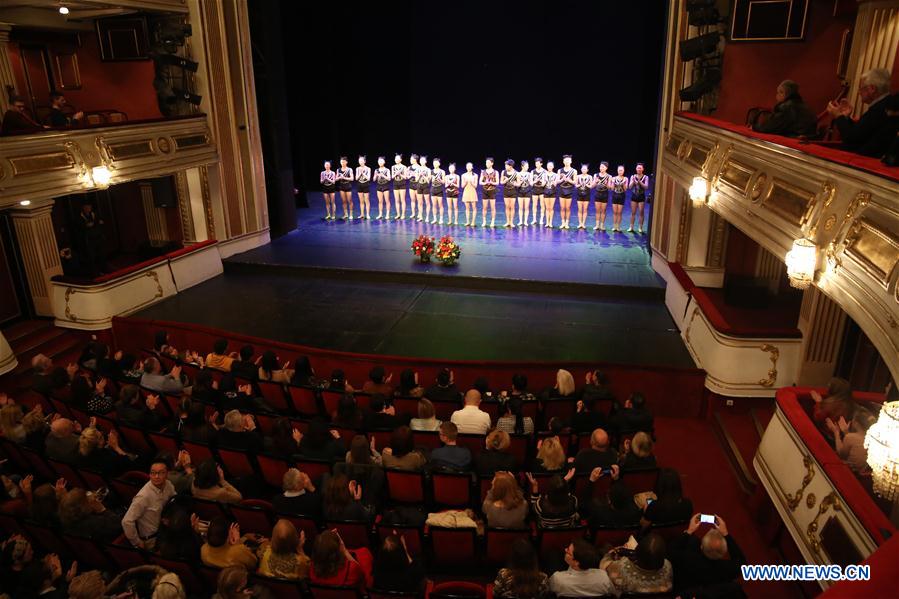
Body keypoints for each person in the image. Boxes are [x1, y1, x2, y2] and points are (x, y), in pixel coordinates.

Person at [668, 514, 746, 596]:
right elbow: (741, 560)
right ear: (724, 552)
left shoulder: (687, 558)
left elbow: (671, 550)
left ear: (701, 547)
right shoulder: (728, 569)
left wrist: (689, 531)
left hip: (683, 590)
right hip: (706, 593)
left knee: (693, 540)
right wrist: (726, 534)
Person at [827, 67, 896, 157]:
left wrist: (838, 116)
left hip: (864, 163)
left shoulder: (880, 109)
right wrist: (845, 117)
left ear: (872, 89)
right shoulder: (886, 103)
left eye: (861, 88)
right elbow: (860, 133)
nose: (859, 92)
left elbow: (851, 139)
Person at [122, 457, 177, 548]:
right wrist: (136, 542)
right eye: (153, 473)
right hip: (152, 540)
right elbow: (126, 521)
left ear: (167, 474)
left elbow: (174, 500)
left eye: (161, 473)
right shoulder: (143, 496)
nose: (156, 476)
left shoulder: (168, 485)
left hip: (165, 531)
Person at [603, 532, 673, 595]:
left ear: (636, 552)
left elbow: (603, 566)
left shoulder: (620, 568)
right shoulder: (668, 566)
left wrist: (611, 553)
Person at [548, 539, 614, 597]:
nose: (565, 549)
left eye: (568, 551)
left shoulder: (558, 579)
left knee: (552, 553)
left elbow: (549, 590)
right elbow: (611, 593)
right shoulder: (604, 577)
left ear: (577, 562)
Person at [826, 409, 876, 473]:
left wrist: (836, 433)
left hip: (848, 471)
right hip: (861, 472)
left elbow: (841, 454)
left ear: (856, 423)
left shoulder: (850, 437)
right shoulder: (873, 439)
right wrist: (846, 432)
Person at [75, 202, 107, 275]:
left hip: (98, 237)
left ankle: (104, 270)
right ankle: (95, 273)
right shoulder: (80, 216)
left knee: (102, 255)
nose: (88, 208)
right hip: (89, 240)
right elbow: (79, 227)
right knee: (91, 257)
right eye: (86, 207)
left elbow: (101, 221)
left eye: (89, 207)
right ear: (83, 208)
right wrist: (86, 226)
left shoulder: (94, 214)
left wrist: (98, 224)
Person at [628, 163, 649, 234]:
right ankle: (631, 227)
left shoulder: (645, 177)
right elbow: (629, 187)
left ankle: (640, 227)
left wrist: (640, 182)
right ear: (636, 169)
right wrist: (633, 182)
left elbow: (646, 187)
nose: (639, 169)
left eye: (640, 168)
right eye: (638, 168)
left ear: (643, 169)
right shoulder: (633, 176)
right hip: (634, 196)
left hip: (641, 196)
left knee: (641, 212)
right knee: (633, 212)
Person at [557, 155, 576, 229]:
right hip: (562, 190)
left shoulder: (574, 171)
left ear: (571, 161)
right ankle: (562, 223)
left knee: (567, 208)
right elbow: (557, 181)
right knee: (562, 208)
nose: (567, 162)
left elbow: (575, 182)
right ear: (563, 162)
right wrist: (562, 179)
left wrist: (568, 180)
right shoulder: (560, 170)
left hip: (569, 190)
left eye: (568, 160)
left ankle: (567, 223)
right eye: (565, 160)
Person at [479, 157, 498, 227]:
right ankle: (484, 221)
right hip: (485, 190)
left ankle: (492, 221)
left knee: (493, 207)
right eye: (486, 162)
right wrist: (485, 183)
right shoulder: (483, 172)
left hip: (492, 191)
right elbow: (480, 182)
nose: (487, 164)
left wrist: (492, 182)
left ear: (492, 163)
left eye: (488, 163)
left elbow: (497, 182)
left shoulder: (496, 172)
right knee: (484, 207)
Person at [592, 162, 611, 231]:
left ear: (606, 168)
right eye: (600, 167)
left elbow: (610, 188)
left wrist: (606, 184)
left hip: (605, 194)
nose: (601, 168)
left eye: (603, 167)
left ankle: (602, 225)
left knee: (603, 211)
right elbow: (592, 186)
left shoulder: (609, 176)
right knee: (597, 211)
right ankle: (597, 225)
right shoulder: (596, 175)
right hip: (597, 194)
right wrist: (596, 182)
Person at [609, 165, 628, 233]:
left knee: (619, 212)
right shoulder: (614, 178)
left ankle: (618, 226)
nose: (620, 172)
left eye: (621, 170)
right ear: (617, 170)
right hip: (615, 195)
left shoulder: (625, 178)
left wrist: (623, 183)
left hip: (622, 195)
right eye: (619, 170)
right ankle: (614, 226)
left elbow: (626, 189)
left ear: (624, 171)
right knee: (615, 212)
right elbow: (612, 188)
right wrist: (613, 182)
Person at [501, 159, 519, 227]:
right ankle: (507, 222)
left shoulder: (516, 173)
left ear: (510, 166)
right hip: (506, 191)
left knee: (512, 207)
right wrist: (505, 181)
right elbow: (501, 182)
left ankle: (511, 222)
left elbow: (519, 183)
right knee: (507, 207)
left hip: (513, 191)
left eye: (506, 165)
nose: (505, 166)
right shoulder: (504, 172)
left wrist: (515, 184)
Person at [575, 163, 592, 229]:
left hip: (586, 194)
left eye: (585, 169)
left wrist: (586, 184)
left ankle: (583, 223)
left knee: (585, 210)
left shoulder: (589, 177)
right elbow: (576, 186)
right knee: (579, 210)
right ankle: (580, 223)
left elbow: (591, 186)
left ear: (587, 170)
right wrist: (580, 184)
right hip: (579, 194)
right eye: (583, 169)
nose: (584, 170)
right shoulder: (578, 176)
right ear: (581, 169)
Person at [461, 162, 479, 226]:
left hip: (473, 192)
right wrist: (465, 182)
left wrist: (472, 182)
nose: (468, 167)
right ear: (466, 167)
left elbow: (476, 186)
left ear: (472, 167)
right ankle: (468, 221)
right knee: (467, 208)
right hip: (466, 192)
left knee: (474, 207)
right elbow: (462, 186)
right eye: (467, 166)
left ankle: (473, 222)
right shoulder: (463, 175)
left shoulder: (475, 175)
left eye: (470, 166)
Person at [531, 157, 547, 226]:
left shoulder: (545, 172)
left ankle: (541, 219)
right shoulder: (532, 171)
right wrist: (535, 181)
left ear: (541, 164)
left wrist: (540, 181)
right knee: (534, 205)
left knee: (542, 205)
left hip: (542, 190)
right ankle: (534, 219)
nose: (536, 164)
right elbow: (531, 183)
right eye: (535, 163)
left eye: (538, 163)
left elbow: (545, 183)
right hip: (534, 189)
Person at [355, 155, 372, 220]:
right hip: (359, 185)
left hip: (366, 185)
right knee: (361, 201)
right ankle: (362, 214)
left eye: (362, 161)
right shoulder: (357, 168)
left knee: (366, 200)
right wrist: (360, 173)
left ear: (364, 161)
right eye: (359, 161)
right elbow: (356, 178)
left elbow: (368, 178)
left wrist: (363, 173)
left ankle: (367, 214)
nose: (360, 162)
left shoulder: (368, 168)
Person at [430, 157, 445, 224]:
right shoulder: (431, 171)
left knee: (440, 205)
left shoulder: (442, 171)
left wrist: (440, 180)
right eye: (434, 163)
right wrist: (432, 179)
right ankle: (435, 218)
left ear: (439, 163)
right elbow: (429, 180)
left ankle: (441, 219)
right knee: (434, 205)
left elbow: (444, 182)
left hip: (439, 189)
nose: (435, 164)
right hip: (433, 188)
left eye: (436, 163)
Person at [392, 153, 407, 220]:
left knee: (402, 200)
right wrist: (396, 173)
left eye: (398, 159)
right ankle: (398, 214)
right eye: (395, 159)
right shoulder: (393, 167)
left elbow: (405, 177)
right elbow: (392, 177)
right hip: (395, 184)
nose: (396, 160)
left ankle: (403, 214)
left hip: (402, 184)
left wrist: (400, 174)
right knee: (397, 200)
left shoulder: (404, 167)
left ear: (400, 160)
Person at [417, 154, 431, 222]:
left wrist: (424, 176)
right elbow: (416, 179)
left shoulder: (428, 169)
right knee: (420, 202)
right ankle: (421, 216)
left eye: (423, 160)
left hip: (426, 186)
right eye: (421, 160)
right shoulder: (418, 169)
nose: (421, 161)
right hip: (419, 186)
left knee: (427, 202)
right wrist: (419, 175)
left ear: (425, 161)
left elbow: (428, 181)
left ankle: (427, 217)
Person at [543, 160, 557, 228]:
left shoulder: (555, 175)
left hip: (552, 192)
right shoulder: (544, 175)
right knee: (547, 208)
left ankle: (550, 222)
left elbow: (555, 184)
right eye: (548, 166)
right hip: (546, 191)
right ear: (547, 167)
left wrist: (553, 181)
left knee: (551, 208)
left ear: (553, 167)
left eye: (551, 166)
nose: (549, 167)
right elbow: (542, 185)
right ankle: (547, 222)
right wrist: (545, 181)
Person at [517, 160, 532, 226]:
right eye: (526, 166)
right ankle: (520, 221)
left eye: (528, 166)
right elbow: (518, 184)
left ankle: (525, 221)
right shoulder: (518, 174)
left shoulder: (529, 174)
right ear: (522, 166)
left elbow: (531, 184)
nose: (528, 167)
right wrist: (521, 181)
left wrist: (529, 180)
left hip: (527, 191)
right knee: (520, 207)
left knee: (526, 207)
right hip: (520, 191)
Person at [406, 154, 420, 221]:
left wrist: (415, 175)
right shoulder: (409, 167)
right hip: (411, 185)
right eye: (410, 159)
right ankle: (413, 213)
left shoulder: (419, 167)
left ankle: (420, 214)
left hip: (418, 185)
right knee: (412, 200)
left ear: (415, 160)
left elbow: (421, 177)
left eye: (411, 159)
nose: (410, 160)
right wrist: (410, 175)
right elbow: (407, 177)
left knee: (419, 201)